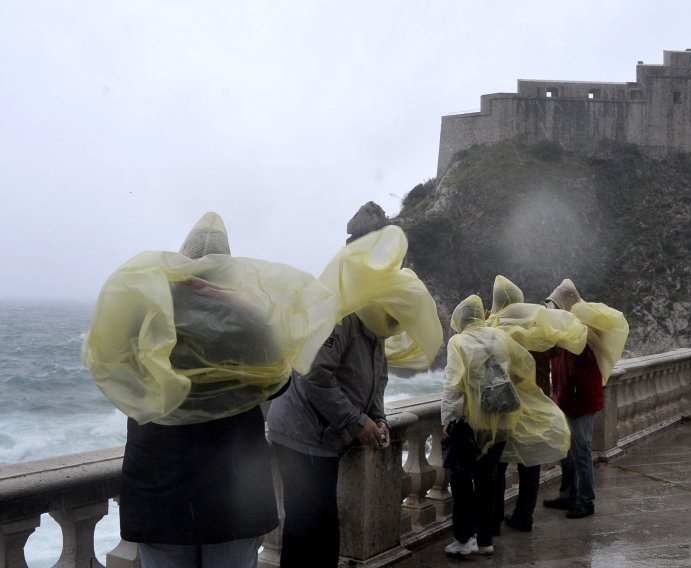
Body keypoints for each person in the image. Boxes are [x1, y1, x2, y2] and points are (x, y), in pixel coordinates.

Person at [82, 212, 339, 567]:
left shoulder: (147, 313)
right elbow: (278, 385)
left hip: (161, 484)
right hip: (232, 488)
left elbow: (119, 377)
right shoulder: (248, 318)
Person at [267, 225, 442, 568]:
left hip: (325, 438)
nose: (396, 324)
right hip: (301, 434)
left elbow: (377, 380)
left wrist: (377, 417)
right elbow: (313, 374)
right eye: (396, 316)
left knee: (321, 525)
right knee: (309, 525)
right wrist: (355, 420)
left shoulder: (376, 326)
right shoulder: (344, 315)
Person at [442, 294, 562, 557]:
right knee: (487, 481)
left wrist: (447, 421)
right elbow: (521, 369)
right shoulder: (499, 337)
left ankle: (464, 540)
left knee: (461, 481)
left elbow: (453, 386)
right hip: (501, 422)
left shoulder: (458, 342)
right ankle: (485, 540)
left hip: (470, 425)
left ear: (461, 318)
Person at [486, 275, 587, 533]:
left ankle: (494, 518)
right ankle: (524, 515)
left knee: (496, 463)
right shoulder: (536, 327)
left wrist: (487, 321)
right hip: (537, 401)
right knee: (529, 463)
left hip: (506, 405)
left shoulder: (497, 328)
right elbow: (554, 349)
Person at [542, 278, 628, 520]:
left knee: (581, 451)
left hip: (581, 399)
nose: (554, 310)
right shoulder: (566, 329)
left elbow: (579, 362)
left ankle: (586, 501)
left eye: (557, 305)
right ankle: (568, 494)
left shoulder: (584, 330)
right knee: (565, 450)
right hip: (566, 397)